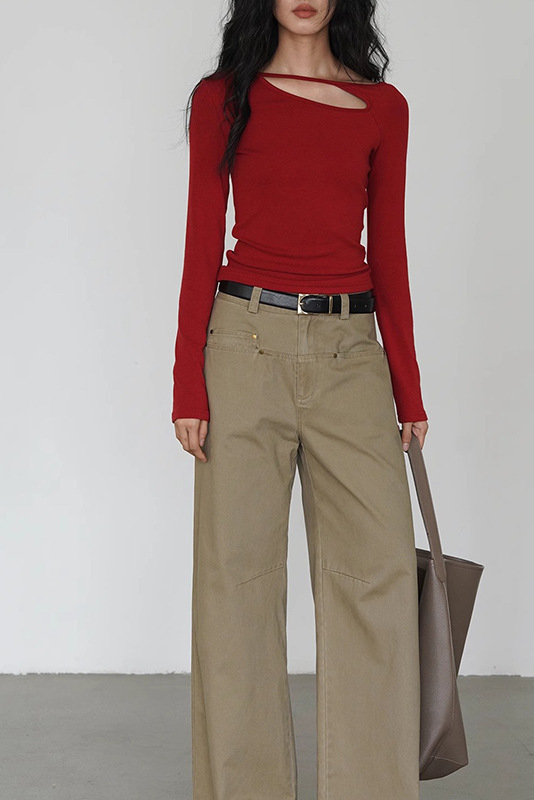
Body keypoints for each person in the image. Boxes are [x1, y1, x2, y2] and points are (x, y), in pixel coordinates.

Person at [171, 1, 428, 797]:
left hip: (352, 355)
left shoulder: (383, 108)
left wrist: (408, 385)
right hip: (242, 347)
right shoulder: (224, 98)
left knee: (378, 575)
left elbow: (388, 246)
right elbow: (201, 235)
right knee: (236, 583)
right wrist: (186, 380)